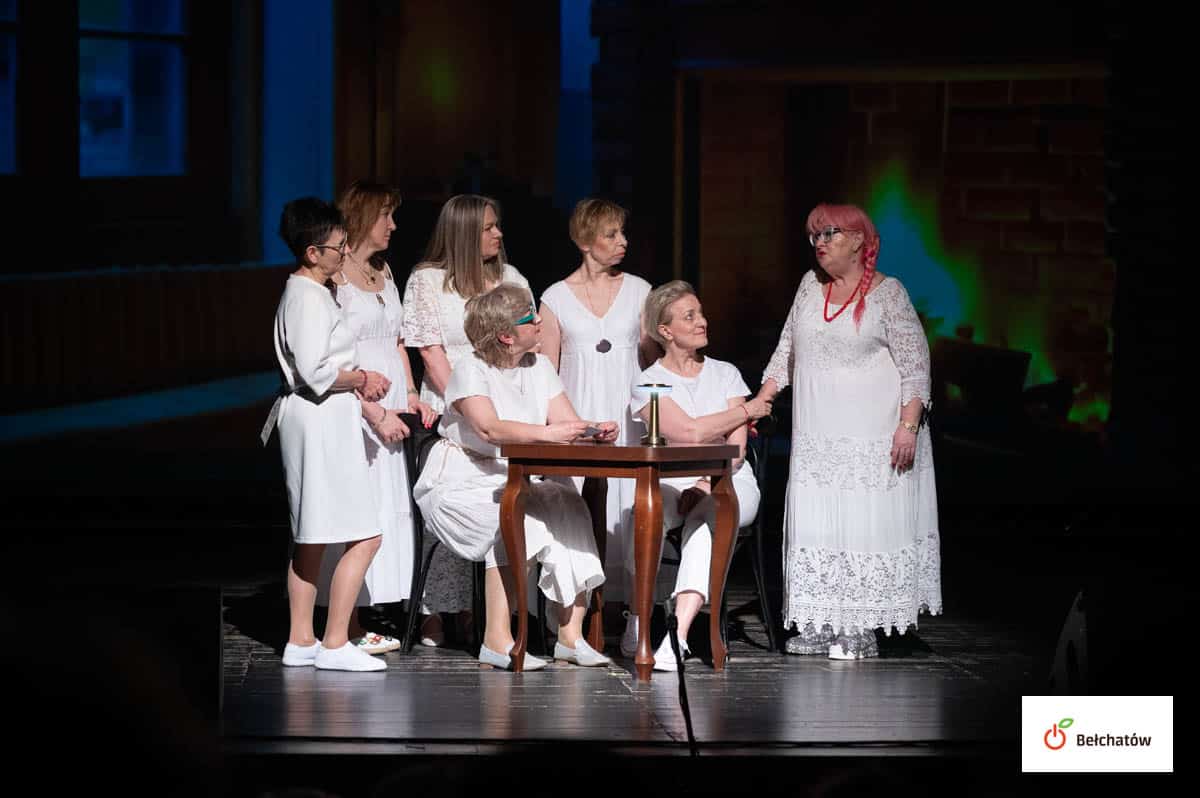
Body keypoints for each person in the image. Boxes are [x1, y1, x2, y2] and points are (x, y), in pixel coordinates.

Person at [756, 203, 942, 660]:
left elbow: (916, 367)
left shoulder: (888, 294)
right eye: (814, 236)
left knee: (862, 524)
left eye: (830, 233)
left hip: (871, 439)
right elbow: (786, 351)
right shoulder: (809, 287)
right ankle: (821, 621)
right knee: (818, 524)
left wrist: (908, 426)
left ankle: (858, 628)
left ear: (858, 240)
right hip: (818, 439)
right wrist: (762, 399)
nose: (819, 244)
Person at [413, 283, 616, 670]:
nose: (539, 320)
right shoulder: (471, 369)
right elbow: (489, 429)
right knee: (518, 517)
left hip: (515, 477)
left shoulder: (539, 366)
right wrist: (551, 433)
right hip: (462, 480)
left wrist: (591, 430)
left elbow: (565, 423)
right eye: (529, 317)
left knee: (571, 507)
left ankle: (570, 636)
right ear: (506, 336)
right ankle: (497, 639)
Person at [269, 197, 402, 672]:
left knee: (313, 535)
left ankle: (301, 639)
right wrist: (362, 377)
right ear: (312, 253)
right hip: (319, 418)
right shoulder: (306, 296)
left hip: (322, 416)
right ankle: (335, 641)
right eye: (337, 247)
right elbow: (314, 369)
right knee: (364, 534)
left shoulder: (313, 292)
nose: (344, 253)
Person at [313, 181, 436, 656]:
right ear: (363, 216)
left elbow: (398, 342)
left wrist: (411, 393)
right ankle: (346, 623)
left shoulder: (384, 271)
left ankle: (366, 613)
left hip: (391, 407)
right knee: (356, 510)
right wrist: (370, 409)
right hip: (355, 407)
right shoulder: (335, 277)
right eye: (386, 214)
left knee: (387, 507)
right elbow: (329, 356)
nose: (393, 225)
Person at [402, 195, 529, 645]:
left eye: (497, 225)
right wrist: (466, 404)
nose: (498, 234)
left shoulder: (511, 278)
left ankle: (491, 612)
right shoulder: (428, 281)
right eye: (488, 227)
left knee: (506, 498)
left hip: (504, 409)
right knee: (452, 494)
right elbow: (430, 351)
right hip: (451, 406)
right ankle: (437, 610)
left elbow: (527, 342)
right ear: (463, 233)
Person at [627, 281, 773, 669]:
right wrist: (747, 409)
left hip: (729, 478)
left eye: (701, 313)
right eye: (689, 316)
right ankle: (638, 619)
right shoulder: (647, 381)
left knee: (709, 514)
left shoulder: (726, 374)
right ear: (665, 330)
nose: (702, 322)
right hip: (671, 479)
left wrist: (706, 482)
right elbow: (688, 433)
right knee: (643, 512)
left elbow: (736, 447)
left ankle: (677, 632)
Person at [537, 199, 655, 612]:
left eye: (622, 233)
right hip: (579, 415)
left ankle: (635, 611)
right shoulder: (555, 297)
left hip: (626, 416)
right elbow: (545, 371)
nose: (623, 242)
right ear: (586, 242)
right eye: (611, 234)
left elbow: (653, 362)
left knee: (630, 509)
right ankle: (577, 612)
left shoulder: (640, 291)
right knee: (578, 512)